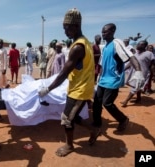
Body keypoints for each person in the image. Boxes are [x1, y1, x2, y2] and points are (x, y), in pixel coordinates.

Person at [38, 8, 95, 157]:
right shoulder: (84, 42)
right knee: (74, 117)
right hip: (80, 86)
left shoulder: (77, 47)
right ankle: (94, 130)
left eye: (67, 28)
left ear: (76, 26)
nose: (65, 32)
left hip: (79, 90)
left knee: (66, 119)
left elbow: (63, 73)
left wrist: (48, 89)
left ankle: (69, 146)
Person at [89, 23, 145, 145]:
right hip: (103, 79)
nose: (103, 34)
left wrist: (139, 71)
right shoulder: (106, 46)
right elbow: (102, 64)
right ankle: (97, 124)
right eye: (102, 32)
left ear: (113, 31)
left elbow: (131, 57)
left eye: (106, 32)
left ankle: (123, 119)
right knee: (97, 103)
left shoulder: (116, 43)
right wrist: (97, 78)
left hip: (113, 79)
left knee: (107, 103)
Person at [120, 40, 155, 107]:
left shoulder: (149, 54)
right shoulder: (135, 54)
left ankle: (126, 101)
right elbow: (130, 63)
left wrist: (153, 75)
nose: (137, 45)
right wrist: (123, 69)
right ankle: (138, 99)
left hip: (143, 73)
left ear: (144, 46)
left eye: (139, 44)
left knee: (136, 86)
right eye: (138, 43)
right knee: (136, 86)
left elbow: (153, 65)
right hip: (134, 73)